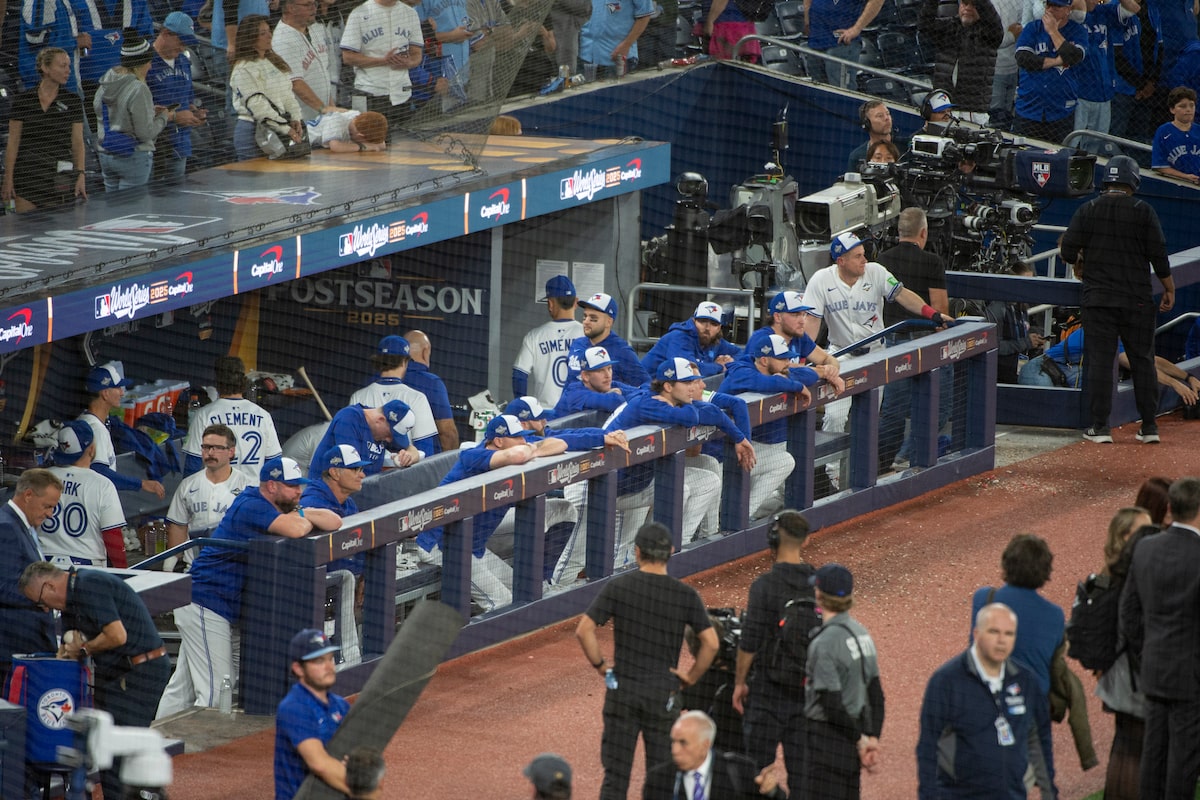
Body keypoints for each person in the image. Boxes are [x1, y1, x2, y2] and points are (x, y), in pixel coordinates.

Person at [156, 457, 342, 719]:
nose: (299, 491)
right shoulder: (253, 504)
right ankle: (204, 753)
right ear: (272, 486)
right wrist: (301, 514)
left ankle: (159, 737)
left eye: (300, 485)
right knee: (215, 689)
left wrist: (300, 512)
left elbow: (335, 521)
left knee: (183, 686)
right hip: (205, 600)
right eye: (292, 486)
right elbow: (298, 529)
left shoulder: (274, 505)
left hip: (217, 603)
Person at [574, 521, 719, 800]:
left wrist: (602, 668)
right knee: (662, 777)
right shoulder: (685, 594)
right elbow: (711, 643)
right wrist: (691, 677)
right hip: (663, 694)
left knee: (615, 778)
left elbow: (584, 630)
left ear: (638, 552)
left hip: (623, 691)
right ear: (671, 552)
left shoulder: (619, 586)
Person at [802, 232, 950, 484]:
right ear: (841, 261)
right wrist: (802, 356)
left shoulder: (876, 272)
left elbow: (903, 295)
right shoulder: (821, 279)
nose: (864, 259)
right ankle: (830, 477)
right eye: (858, 256)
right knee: (836, 416)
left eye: (864, 254)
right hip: (840, 355)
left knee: (869, 417)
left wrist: (931, 314)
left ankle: (862, 474)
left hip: (874, 355)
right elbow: (811, 324)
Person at [21, 561, 171, 800]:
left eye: (40, 601)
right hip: (114, 675)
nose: (43, 609)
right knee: (107, 756)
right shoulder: (70, 605)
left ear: (49, 586)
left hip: (140, 671)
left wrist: (83, 650)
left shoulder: (90, 585)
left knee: (119, 755)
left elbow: (116, 635)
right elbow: (67, 649)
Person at [1060, 154, 1174, 444]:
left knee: (1100, 360)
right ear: (1133, 181)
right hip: (1136, 299)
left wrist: (1083, 257)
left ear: (1106, 180)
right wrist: (1169, 287)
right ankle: (1149, 427)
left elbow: (1068, 252)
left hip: (1098, 300)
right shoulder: (1143, 210)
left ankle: (1100, 428)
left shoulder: (1088, 209)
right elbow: (1158, 255)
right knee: (1143, 360)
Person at [415, 414, 569, 611]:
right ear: (498, 441)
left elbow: (560, 443)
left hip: (472, 543)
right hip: (441, 545)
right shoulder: (473, 456)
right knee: (502, 603)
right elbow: (519, 455)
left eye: (524, 437)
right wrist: (533, 449)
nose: (524, 441)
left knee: (533, 590)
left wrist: (534, 450)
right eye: (518, 437)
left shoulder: (518, 447)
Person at [917, 602, 1055, 799]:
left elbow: (1039, 740)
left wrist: (1049, 793)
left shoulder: (1025, 681)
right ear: (976, 633)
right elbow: (928, 747)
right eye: (994, 632)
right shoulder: (947, 681)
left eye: (1009, 634)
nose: (1002, 641)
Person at [1119, 476, 1200, 800]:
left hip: (1153, 670)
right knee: (1183, 762)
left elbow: (1128, 614)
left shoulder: (1146, 548)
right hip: (1192, 678)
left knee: (1153, 754)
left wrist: (1147, 653)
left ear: (1170, 508)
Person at [969, 534, 1062, 796]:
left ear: (1006, 565)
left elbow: (971, 652)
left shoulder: (984, 599)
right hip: (1031, 712)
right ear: (1045, 572)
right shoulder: (1055, 616)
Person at [731, 511, 816, 790]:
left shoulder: (764, 586)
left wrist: (740, 682)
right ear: (805, 541)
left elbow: (750, 641)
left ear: (773, 540)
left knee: (755, 774)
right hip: (808, 694)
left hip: (767, 693)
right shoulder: (820, 585)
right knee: (804, 780)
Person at [1083, 506, 1152, 800]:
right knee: (1137, 750)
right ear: (1125, 537)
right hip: (1134, 678)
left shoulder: (1104, 576)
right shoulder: (1128, 579)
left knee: (1125, 748)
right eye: (1143, 529)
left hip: (1116, 678)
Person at [875, 208, 951, 473]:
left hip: (891, 342)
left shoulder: (881, 260)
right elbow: (940, 308)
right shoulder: (932, 261)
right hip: (924, 343)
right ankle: (907, 457)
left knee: (893, 409)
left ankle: (880, 465)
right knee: (937, 405)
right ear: (923, 232)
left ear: (899, 233)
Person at [803, 563, 884, 800]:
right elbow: (877, 695)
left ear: (819, 595)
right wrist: (871, 738)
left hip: (827, 744)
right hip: (852, 742)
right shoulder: (862, 633)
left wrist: (860, 741)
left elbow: (831, 703)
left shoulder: (824, 642)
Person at [719, 338, 821, 518]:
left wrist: (788, 378)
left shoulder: (774, 372)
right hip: (719, 454)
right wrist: (795, 385)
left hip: (741, 449)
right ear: (765, 360)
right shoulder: (740, 371)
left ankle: (742, 515)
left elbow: (810, 375)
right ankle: (734, 517)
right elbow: (762, 382)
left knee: (784, 462)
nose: (788, 363)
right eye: (782, 359)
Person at [1, 47, 88, 213]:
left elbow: (77, 142)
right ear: (45, 68)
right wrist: (8, 178)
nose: (68, 70)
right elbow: (13, 143)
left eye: (69, 66)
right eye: (62, 66)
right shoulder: (23, 101)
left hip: (58, 177)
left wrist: (81, 174)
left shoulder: (73, 101)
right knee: (22, 229)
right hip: (28, 176)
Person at [0, 469, 62, 686]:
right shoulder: (5, 527)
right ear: (28, 495)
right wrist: (43, 597)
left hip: (28, 643)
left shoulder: (22, 527)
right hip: (14, 646)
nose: (50, 514)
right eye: (47, 506)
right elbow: (2, 586)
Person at [165, 423, 255, 572]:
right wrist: (169, 565)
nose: (210, 453)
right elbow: (178, 526)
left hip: (233, 567)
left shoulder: (248, 487)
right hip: (195, 568)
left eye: (217, 448)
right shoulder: (188, 485)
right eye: (206, 447)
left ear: (231, 452)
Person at [274, 628, 351, 799]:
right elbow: (319, 764)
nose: (329, 667)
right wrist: (363, 789)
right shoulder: (294, 707)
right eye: (319, 661)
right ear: (298, 669)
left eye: (330, 659)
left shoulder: (341, 706)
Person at [643, 710, 788, 799]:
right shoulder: (658, 780)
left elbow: (778, 798)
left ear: (705, 745)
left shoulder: (739, 770)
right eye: (673, 742)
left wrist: (772, 791)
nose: (675, 750)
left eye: (683, 743)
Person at [42, 420, 128, 568]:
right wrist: (124, 573)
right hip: (86, 569)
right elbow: (112, 536)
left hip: (43, 565)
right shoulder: (102, 484)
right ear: (92, 449)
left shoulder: (41, 479)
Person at [94, 30, 171, 191]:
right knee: (132, 211)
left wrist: (148, 111)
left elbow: (102, 111)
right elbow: (145, 133)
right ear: (141, 63)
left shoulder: (105, 83)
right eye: (149, 62)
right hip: (132, 157)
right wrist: (164, 117)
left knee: (114, 212)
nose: (150, 66)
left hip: (106, 154)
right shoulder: (138, 88)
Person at [184, 355, 284, 477]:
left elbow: (192, 463)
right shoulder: (263, 415)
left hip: (218, 492)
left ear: (217, 380)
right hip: (251, 492)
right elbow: (274, 462)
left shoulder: (205, 414)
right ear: (243, 380)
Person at [79, 362, 166, 498]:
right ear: (105, 393)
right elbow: (101, 474)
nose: (122, 392)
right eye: (118, 387)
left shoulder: (84, 421)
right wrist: (141, 483)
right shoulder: (96, 429)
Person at [340, 0, 424, 135]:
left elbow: (417, 53)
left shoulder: (411, 13)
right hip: (370, 93)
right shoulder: (359, 14)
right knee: (370, 144)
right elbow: (348, 57)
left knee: (401, 147)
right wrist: (383, 61)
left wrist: (410, 63)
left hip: (401, 94)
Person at [231, 14, 306, 160]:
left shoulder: (274, 62)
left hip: (280, 128)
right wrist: (285, 129)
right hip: (253, 132)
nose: (269, 36)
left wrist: (296, 118)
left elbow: (287, 95)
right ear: (250, 37)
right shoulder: (243, 69)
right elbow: (258, 106)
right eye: (263, 33)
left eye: (269, 31)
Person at [349, 335, 439, 456]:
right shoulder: (417, 398)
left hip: (367, 473)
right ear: (404, 362)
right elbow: (425, 453)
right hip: (404, 472)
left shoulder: (358, 397)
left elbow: (351, 448)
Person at [1012, 0, 1088, 143]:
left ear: (1068, 9)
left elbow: (1073, 56)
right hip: (1029, 108)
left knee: (1057, 158)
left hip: (1060, 111)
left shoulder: (1078, 31)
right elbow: (1023, 59)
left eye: (1057, 6)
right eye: (1049, 5)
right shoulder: (1032, 28)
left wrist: (1053, 31)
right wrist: (1056, 61)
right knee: (1022, 156)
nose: (1051, 10)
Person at [919, 0, 1004, 123]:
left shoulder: (989, 33)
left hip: (972, 110)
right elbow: (924, 25)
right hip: (944, 106)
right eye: (965, 4)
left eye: (973, 5)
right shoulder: (948, 27)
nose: (968, 8)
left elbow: (992, 19)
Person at [148, 12, 208, 182]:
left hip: (180, 143)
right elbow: (139, 107)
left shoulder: (183, 61)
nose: (183, 48)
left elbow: (187, 98)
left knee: (177, 198)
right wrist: (175, 117)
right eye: (181, 42)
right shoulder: (146, 62)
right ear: (165, 33)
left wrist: (194, 112)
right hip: (154, 146)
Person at [1073, 0, 1138, 152]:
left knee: (1096, 144)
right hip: (1080, 92)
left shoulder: (1104, 11)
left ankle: (1089, 173)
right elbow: (1078, 11)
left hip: (1103, 91)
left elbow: (1133, 8)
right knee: (1072, 141)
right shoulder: (1072, 15)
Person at [513, 274, 584, 409]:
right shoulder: (587, 334)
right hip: (578, 412)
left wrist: (521, 409)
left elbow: (519, 375)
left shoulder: (534, 336)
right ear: (576, 302)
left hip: (546, 415)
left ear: (551, 304)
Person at [309, 399, 420, 478]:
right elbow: (350, 473)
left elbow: (412, 449)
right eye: (389, 434)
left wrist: (408, 457)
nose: (389, 440)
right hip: (326, 496)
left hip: (360, 493)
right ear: (380, 420)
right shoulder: (349, 419)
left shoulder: (385, 428)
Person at [565, 292, 651, 388]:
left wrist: (621, 393)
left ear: (608, 322)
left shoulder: (621, 351)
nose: (586, 322)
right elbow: (568, 385)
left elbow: (646, 386)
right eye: (585, 316)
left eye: (593, 318)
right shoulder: (577, 344)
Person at [641, 301, 742, 379]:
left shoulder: (715, 340)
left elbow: (741, 354)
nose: (707, 328)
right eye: (702, 322)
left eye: (713, 324)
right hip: (645, 389)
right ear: (694, 321)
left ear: (719, 328)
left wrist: (730, 362)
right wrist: (719, 367)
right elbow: (688, 370)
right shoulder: (679, 337)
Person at [982, 261, 1044, 383]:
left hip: (1018, 368)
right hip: (999, 375)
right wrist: (1026, 342)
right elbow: (994, 346)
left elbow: (1022, 333)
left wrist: (1035, 337)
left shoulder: (1022, 305)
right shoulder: (997, 309)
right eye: (1025, 283)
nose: (1029, 288)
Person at [273, 0, 336, 119]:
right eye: (308, 5)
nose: (314, 8)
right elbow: (295, 83)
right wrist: (324, 109)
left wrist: (331, 109)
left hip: (321, 116)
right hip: (301, 121)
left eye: (315, 4)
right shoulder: (282, 40)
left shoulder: (314, 30)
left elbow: (322, 75)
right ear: (291, 8)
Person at [805, 0, 885, 88]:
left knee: (841, 90)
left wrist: (856, 29)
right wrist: (807, 18)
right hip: (816, 39)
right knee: (817, 89)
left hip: (841, 42)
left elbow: (877, 1)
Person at [403, 329, 459, 452]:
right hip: (420, 465)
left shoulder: (373, 382)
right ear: (425, 351)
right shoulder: (432, 383)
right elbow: (447, 433)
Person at [555, 346, 643, 415]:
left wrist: (621, 391)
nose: (608, 375)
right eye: (600, 371)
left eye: (609, 368)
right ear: (585, 376)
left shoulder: (607, 384)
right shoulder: (575, 393)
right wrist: (618, 394)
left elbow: (644, 392)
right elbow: (616, 402)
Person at [578, 0, 652, 78]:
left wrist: (626, 45)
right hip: (586, 54)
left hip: (616, 57)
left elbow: (645, 16)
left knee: (614, 90)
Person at [1151, 86, 1200, 184]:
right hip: (1173, 183)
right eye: (1183, 106)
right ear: (1172, 109)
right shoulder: (1164, 131)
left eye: (1192, 105)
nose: (1188, 110)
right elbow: (1159, 166)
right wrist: (1185, 177)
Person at [847, 100, 904, 171]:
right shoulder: (856, 156)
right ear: (867, 124)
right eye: (880, 116)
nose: (887, 118)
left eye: (888, 114)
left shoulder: (906, 147)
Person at [306, 108, 389, 150]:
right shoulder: (336, 121)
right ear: (360, 135)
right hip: (306, 139)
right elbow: (335, 147)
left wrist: (372, 145)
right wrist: (362, 147)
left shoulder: (358, 117)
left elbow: (381, 144)